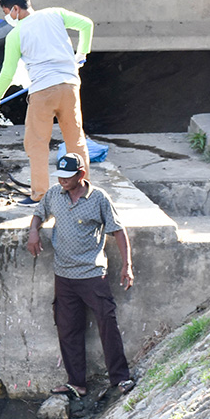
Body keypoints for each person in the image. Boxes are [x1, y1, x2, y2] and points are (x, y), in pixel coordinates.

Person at [27, 152, 136, 401]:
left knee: (107, 323)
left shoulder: (98, 198)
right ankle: (76, 383)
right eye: (60, 176)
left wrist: (126, 265)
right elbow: (39, 212)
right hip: (63, 275)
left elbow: (118, 231)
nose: (63, 180)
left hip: (91, 274)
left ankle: (120, 378)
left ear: (81, 175)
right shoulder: (55, 193)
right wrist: (33, 231)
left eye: (68, 176)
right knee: (68, 329)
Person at [0, 0, 93, 205]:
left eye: (7, 12)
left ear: (15, 9)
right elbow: (87, 25)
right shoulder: (56, 14)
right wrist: (82, 53)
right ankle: (83, 192)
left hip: (43, 91)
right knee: (76, 140)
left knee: (37, 143)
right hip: (70, 86)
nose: (8, 17)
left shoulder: (15, 34)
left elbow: (7, 73)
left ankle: (40, 195)